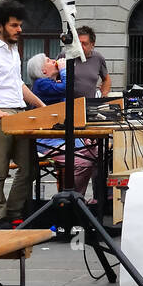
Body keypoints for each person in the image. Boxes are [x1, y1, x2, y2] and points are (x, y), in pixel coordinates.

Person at [0, 0, 46, 229]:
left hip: (19, 112)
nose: (19, 29)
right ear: (0, 26)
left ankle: (14, 213)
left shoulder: (14, 52)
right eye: (14, 25)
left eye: (19, 25)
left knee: (30, 167)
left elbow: (18, 85)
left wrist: (41, 105)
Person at [27, 53, 94, 194]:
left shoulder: (50, 83)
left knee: (96, 152)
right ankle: (70, 197)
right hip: (49, 141)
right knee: (84, 162)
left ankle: (88, 197)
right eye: (49, 61)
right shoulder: (41, 83)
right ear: (43, 71)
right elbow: (67, 88)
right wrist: (64, 69)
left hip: (61, 138)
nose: (54, 61)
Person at [72, 26, 111, 101]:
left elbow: (106, 79)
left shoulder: (98, 58)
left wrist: (104, 95)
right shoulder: (66, 55)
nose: (80, 47)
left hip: (89, 105)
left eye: (84, 44)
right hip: (66, 105)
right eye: (78, 43)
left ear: (92, 45)